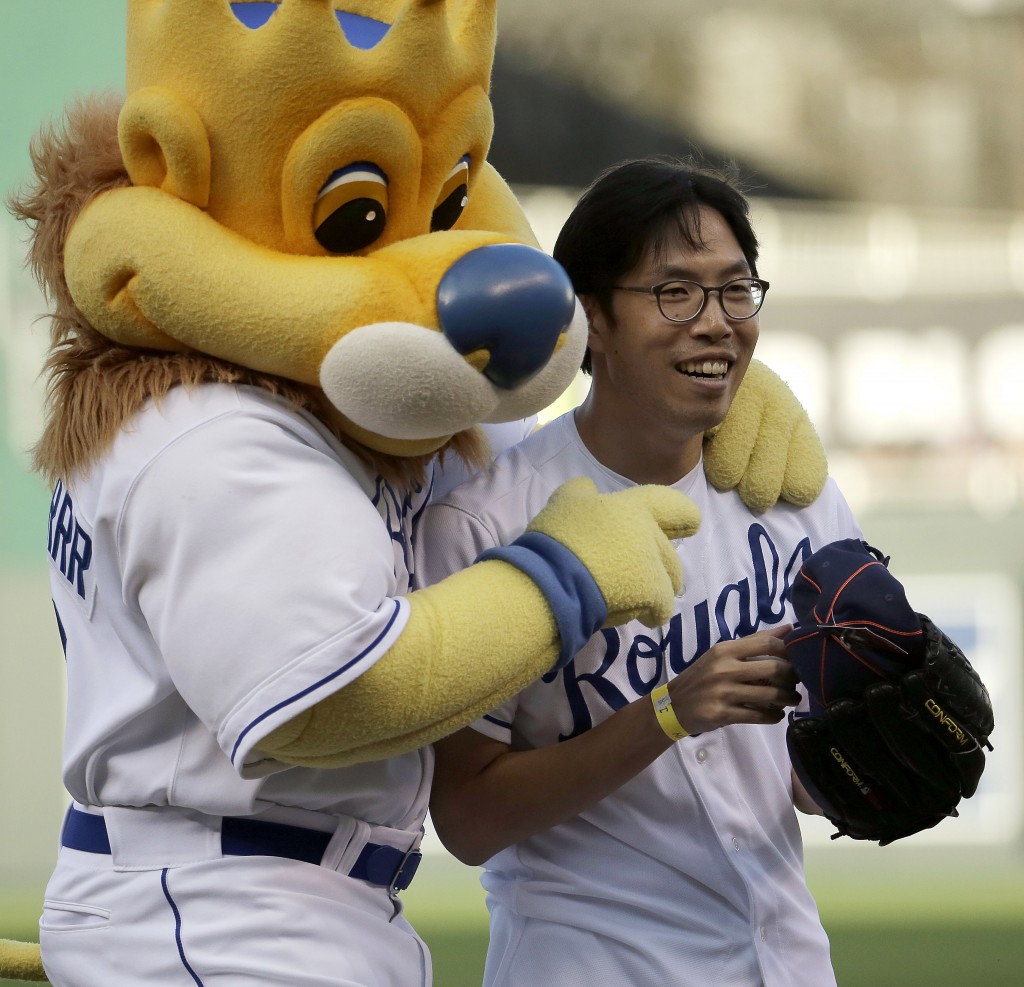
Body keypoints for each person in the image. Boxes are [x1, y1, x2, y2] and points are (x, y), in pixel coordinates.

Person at [417, 156, 863, 987]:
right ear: (592, 319)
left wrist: (868, 754)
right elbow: (469, 816)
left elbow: (808, 780)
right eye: (675, 293)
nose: (716, 322)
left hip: (786, 958)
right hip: (593, 961)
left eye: (736, 290)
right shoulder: (486, 521)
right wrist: (667, 711)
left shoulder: (793, 495)